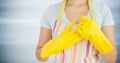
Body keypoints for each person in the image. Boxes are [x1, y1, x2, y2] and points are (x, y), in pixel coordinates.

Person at [36, 0, 117, 63]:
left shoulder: (102, 10)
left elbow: (111, 59)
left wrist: (98, 37)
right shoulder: (51, 11)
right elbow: (39, 56)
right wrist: (51, 47)